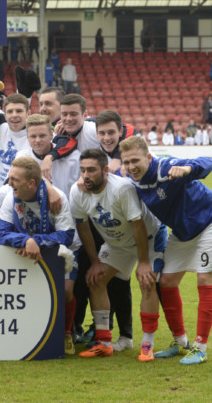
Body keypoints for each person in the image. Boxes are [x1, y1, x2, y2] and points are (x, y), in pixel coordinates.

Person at [120, 136, 212, 365]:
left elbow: (208, 161)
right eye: (126, 162)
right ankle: (180, 342)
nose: (131, 166)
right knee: (167, 282)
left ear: (148, 158)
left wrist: (188, 168)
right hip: (182, 231)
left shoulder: (165, 167)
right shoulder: (131, 181)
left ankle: (200, 347)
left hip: (210, 220)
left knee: (205, 280)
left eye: (135, 160)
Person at [71, 150, 166, 361]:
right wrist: (95, 262)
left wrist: (143, 262)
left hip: (148, 238)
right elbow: (83, 227)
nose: (86, 175)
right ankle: (104, 342)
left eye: (91, 170)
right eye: (83, 170)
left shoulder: (121, 189)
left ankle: (147, 345)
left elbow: (138, 224)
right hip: (117, 244)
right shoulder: (76, 191)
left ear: (105, 170)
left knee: (147, 281)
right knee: (94, 279)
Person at [0, 156, 77, 354]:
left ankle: (66, 333)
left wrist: (35, 241)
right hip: (26, 250)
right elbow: (1, 233)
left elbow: (66, 235)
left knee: (65, 291)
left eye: (15, 179)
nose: (9, 183)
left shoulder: (56, 198)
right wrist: (25, 241)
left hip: (60, 252)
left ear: (31, 183)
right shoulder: (11, 196)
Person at [17, 114, 80, 197]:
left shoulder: (73, 158)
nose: (38, 140)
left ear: (51, 135)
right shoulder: (22, 157)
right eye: (33, 136)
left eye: (42, 135)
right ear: (27, 137)